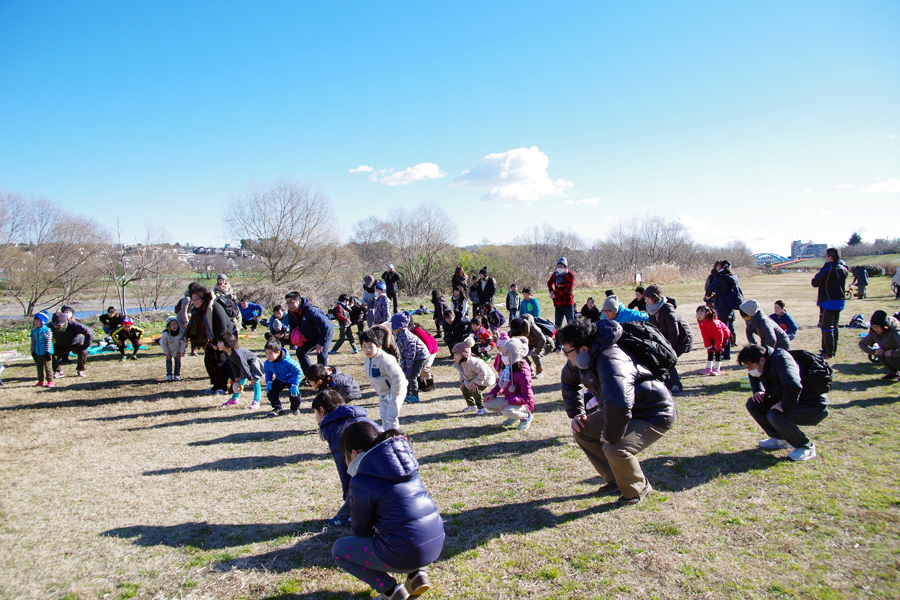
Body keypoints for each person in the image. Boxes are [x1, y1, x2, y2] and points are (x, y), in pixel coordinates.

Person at [559, 319, 675, 506]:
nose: (565, 356)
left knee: (614, 447)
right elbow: (568, 381)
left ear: (583, 349)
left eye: (567, 351)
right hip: (622, 410)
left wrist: (611, 434)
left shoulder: (611, 359)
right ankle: (615, 480)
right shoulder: (582, 358)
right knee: (583, 430)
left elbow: (619, 402)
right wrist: (576, 413)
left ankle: (637, 488)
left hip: (652, 413)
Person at [333, 423, 444, 600]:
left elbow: (360, 531)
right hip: (435, 543)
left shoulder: (362, 479)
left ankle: (391, 591)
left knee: (339, 550)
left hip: (403, 553)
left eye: (344, 457)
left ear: (353, 453)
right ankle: (417, 575)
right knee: (403, 525)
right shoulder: (405, 464)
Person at [738, 344, 829, 461]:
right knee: (754, 404)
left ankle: (806, 447)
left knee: (776, 415)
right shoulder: (764, 361)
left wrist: (785, 407)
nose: (749, 370)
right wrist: (758, 391)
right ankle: (781, 439)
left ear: (762, 360)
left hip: (813, 406)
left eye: (750, 367)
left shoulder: (782, 360)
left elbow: (794, 385)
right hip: (792, 399)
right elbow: (753, 376)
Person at [314, 389, 380, 527]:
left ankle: (348, 517)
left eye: (315, 413)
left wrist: (349, 499)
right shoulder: (353, 417)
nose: (315, 418)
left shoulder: (335, 428)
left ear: (321, 410)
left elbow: (345, 469)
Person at [643, 284, 693, 394]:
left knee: (668, 359)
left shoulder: (667, 309)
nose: (646, 301)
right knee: (661, 359)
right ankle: (668, 383)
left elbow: (674, 332)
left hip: (682, 340)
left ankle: (676, 385)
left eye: (648, 299)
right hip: (667, 340)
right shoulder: (651, 311)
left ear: (655, 298)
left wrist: (669, 348)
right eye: (645, 299)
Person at [186, 285, 235, 394]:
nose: (194, 302)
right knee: (209, 362)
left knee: (220, 362)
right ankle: (215, 385)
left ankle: (223, 386)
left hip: (223, 338)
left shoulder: (214, 307)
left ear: (203, 298)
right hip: (209, 340)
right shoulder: (198, 310)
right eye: (192, 299)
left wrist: (216, 342)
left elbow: (223, 327)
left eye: (196, 299)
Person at [360, 326, 407, 430]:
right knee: (383, 416)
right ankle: (386, 434)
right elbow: (370, 376)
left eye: (370, 346)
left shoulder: (386, 360)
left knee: (391, 416)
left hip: (395, 391)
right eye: (364, 346)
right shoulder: (367, 360)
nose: (367, 349)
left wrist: (394, 394)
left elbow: (398, 377)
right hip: (383, 392)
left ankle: (394, 436)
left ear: (379, 346)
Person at [483, 335, 535, 430]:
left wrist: (509, 401)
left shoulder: (523, 372)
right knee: (487, 403)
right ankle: (513, 416)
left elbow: (526, 397)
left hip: (524, 403)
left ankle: (526, 417)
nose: (503, 357)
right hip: (510, 399)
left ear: (515, 355)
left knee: (506, 410)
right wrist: (493, 394)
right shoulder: (507, 367)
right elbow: (501, 384)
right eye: (502, 353)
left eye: (506, 354)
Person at [811, 248, 849, 359]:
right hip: (839, 301)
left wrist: (823, 267)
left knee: (826, 327)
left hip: (828, 301)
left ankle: (827, 352)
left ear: (830, 257)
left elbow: (815, 282)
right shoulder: (843, 269)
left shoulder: (827, 269)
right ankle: (832, 350)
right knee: (835, 326)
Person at [284, 291, 334, 372]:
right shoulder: (291, 313)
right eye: (287, 303)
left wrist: (321, 343)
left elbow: (327, 327)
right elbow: (293, 326)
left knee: (321, 354)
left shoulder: (312, 311)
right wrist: (293, 336)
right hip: (310, 336)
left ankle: (322, 377)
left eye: (291, 302)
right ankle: (309, 376)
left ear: (299, 301)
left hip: (324, 334)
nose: (289, 305)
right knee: (300, 352)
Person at [704, 260, 741, 360]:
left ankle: (721, 354)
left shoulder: (721, 278)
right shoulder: (733, 278)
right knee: (728, 331)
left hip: (721, 308)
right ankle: (727, 354)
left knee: (721, 332)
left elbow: (709, 289)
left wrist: (708, 296)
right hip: (730, 308)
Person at [391, 312, 429, 404]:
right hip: (412, 358)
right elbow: (403, 353)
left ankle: (415, 396)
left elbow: (411, 353)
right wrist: (403, 366)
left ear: (399, 325)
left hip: (420, 357)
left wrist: (409, 367)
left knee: (412, 377)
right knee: (405, 376)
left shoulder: (406, 336)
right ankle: (406, 394)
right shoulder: (399, 335)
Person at [451, 337, 496, 415]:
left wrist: (476, 383)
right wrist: (463, 382)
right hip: (474, 379)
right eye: (454, 354)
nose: (454, 356)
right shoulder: (460, 363)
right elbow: (462, 373)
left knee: (475, 389)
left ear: (464, 355)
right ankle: (471, 405)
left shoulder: (474, 363)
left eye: (457, 354)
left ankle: (481, 408)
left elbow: (483, 373)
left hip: (486, 378)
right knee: (464, 388)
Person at [218, 331, 262, 409]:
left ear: (227, 343)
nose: (217, 344)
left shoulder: (237, 353)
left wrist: (250, 378)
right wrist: (236, 375)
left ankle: (256, 402)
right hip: (244, 365)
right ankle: (234, 399)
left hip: (252, 363)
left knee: (255, 382)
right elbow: (233, 365)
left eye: (220, 342)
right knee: (239, 381)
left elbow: (244, 365)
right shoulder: (226, 353)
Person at [263, 339, 304, 416]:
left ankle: (295, 409)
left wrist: (295, 384)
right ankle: (277, 408)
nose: (268, 356)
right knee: (271, 392)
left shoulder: (287, 361)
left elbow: (298, 371)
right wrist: (269, 382)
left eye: (270, 353)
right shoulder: (268, 363)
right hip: (280, 379)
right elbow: (268, 372)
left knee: (294, 394)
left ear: (278, 353)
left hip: (291, 379)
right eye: (266, 353)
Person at [858, 310, 900, 381]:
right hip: (891, 352)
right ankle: (893, 372)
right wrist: (873, 351)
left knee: (889, 355)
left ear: (885, 326)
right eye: (873, 326)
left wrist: (894, 353)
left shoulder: (895, 331)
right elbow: (862, 344)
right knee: (880, 353)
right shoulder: (874, 332)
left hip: (897, 353)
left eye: (877, 326)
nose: (875, 329)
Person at [49, 312, 93, 378]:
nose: (56, 327)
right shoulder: (50, 326)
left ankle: (80, 369)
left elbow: (88, 332)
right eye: (55, 325)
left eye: (59, 325)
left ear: (64, 323)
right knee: (48, 352)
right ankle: (57, 371)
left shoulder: (73, 325)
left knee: (83, 352)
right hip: (61, 345)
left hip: (75, 343)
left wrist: (85, 346)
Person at [547, 257, 576, 350]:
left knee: (571, 324)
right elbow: (549, 283)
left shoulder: (570, 275)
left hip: (568, 304)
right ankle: (558, 345)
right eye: (558, 266)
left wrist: (555, 294)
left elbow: (568, 291)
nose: (559, 268)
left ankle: (573, 343)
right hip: (558, 305)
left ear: (566, 266)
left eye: (561, 266)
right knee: (558, 325)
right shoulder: (555, 274)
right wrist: (551, 291)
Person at [696, 305, 730, 376]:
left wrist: (718, 346)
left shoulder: (713, 322)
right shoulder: (701, 322)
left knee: (718, 352)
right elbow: (704, 334)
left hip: (723, 336)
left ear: (707, 313)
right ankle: (708, 368)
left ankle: (717, 369)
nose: (698, 315)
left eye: (701, 313)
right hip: (713, 337)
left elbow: (719, 334)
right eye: (697, 313)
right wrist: (708, 345)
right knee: (710, 351)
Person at [409, 320, 438, 391]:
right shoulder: (406, 332)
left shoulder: (417, 331)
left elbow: (429, 345)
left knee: (423, 366)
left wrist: (426, 359)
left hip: (430, 350)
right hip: (419, 352)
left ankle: (430, 383)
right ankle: (421, 384)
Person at [159, 316, 187, 381]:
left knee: (177, 362)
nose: (175, 326)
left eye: (176, 324)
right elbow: (163, 344)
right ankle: (169, 375)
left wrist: (180, 352)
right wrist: (167, 353)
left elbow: (183, 343)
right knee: (168, 362)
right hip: (169, 350)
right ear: (169, 326)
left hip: (177, 350)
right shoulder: (165, 334)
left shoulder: (180, 333)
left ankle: (176, 375)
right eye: (173, 325)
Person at [30, 312, 54, 388]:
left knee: (48, 368)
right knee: (39, 367)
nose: (35, 323)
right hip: (38, 352)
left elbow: (48, 341)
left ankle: (50, 381)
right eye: (35, 321)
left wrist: (47, 352)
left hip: (46, 352)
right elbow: (33, 342)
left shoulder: (47, 330)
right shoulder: (34, 331)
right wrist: (33, 351)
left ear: (42, 322)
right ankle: (40, 380)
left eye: (37, 321)